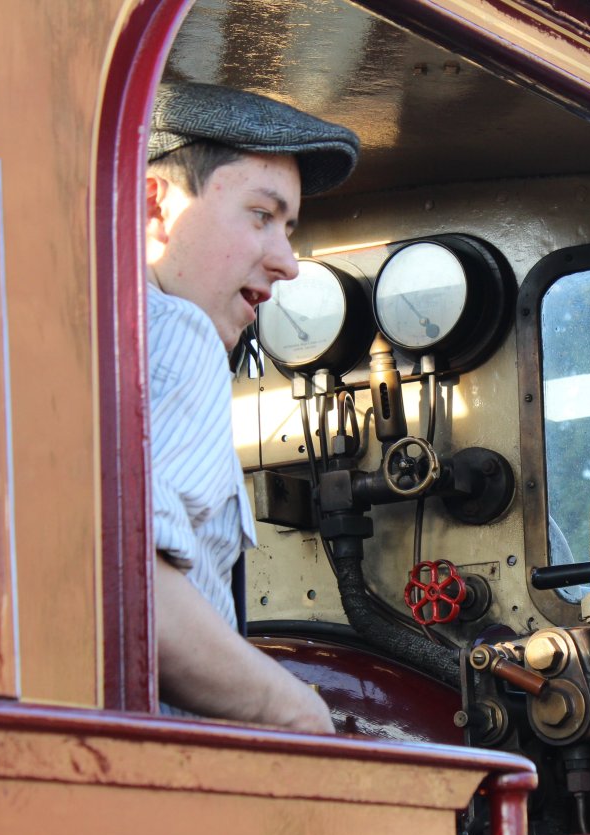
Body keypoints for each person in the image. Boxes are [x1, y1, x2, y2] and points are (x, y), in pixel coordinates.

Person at [144, 82, 360, 733]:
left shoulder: (90, 336)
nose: (288, 263)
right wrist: (295, 712)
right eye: (261, 215)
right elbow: (128, 580)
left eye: (289, 229)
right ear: (155, 206)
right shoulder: (175, 331)